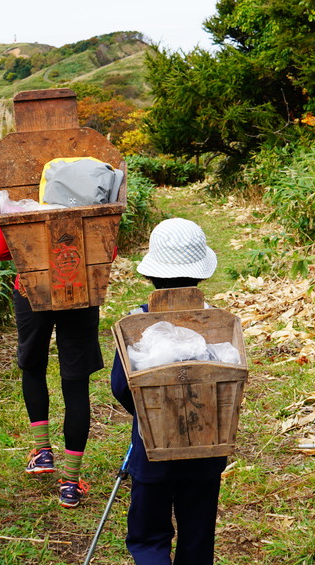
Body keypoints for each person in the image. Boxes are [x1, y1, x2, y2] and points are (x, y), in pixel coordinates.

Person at [111, 218, 228, 565]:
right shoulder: (220, 325)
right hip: (206, 449)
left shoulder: (134, 326)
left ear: (151, 275)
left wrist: (153, 411)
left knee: (148, 535)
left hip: (151, 448)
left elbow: (121, 386)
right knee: (197, 535)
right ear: (202, 275)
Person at [0, 225, 102, 507]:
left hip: (32, 288)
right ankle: (71, 484)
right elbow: (107, 249)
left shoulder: (21, 194)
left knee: (33, 366)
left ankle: (42, 453)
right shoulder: (96, 189)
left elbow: (0, 251)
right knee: (76, 383)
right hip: (80, 288)